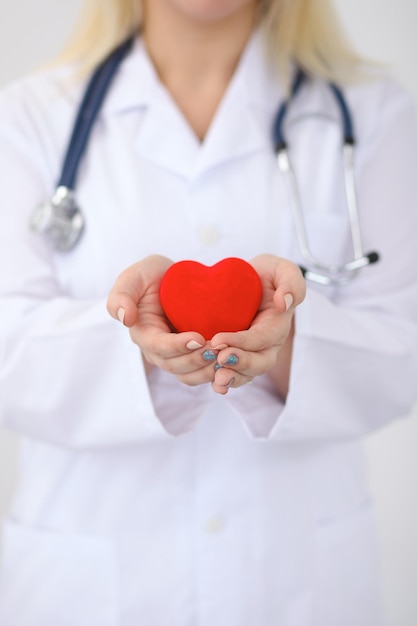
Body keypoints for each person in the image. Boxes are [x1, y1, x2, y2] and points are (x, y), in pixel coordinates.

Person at [0, 0, 417, 624]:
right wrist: (139, 343)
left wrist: (284, 335)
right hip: (89, 588)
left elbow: (404, 347)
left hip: (300, 584)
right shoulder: (30, 116)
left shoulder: (373, 113)